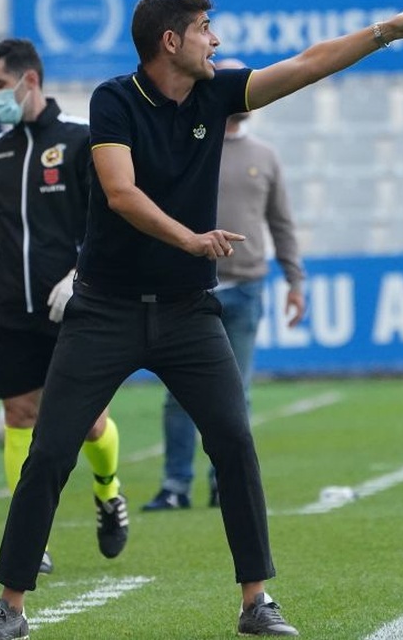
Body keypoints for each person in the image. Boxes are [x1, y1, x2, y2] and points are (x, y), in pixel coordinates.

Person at [0, 0, 403, 640]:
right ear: (171, 41)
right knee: (50, 452)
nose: (215, 41)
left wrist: (385, 32)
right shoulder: (114, 101)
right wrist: (190, 239)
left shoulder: (217, 92)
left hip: (188, 312)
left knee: (234, 442)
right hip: (104, 310)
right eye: (204, 30)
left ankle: (256, 600)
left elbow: (308, 63)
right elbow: (120, 192)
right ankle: (10, 608)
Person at [0, 38, 129, 578]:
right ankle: (28, 540)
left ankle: (108, 493)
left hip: (75, 307)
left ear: (29, 80)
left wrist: (81, 276)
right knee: (19, 415)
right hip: (10, 310)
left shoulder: (82, 143)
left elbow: (108, 222)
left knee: (88, 423)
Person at [142, 57, 306, 512]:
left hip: (246, 286)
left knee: (238, 392)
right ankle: (175, 483)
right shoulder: (191, 143)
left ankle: (224, 483)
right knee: (177, 395)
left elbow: (282, 222)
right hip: (190, 288)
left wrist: (296, 278)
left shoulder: (265, 156)